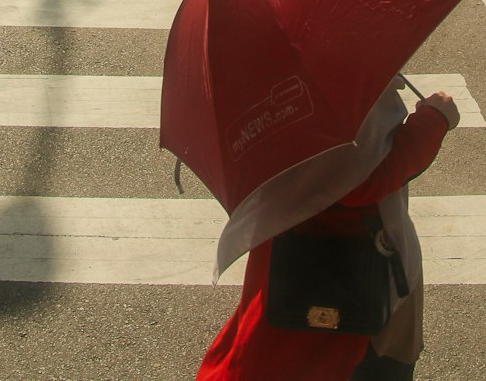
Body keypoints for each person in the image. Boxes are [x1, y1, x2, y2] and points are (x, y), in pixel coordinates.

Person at [194, 81, 460, 380]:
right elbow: (361, 179)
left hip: (292, 248)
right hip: (357, 263)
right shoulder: (333, 79)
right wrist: (434, 120)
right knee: (374, 363)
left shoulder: (274, 75)